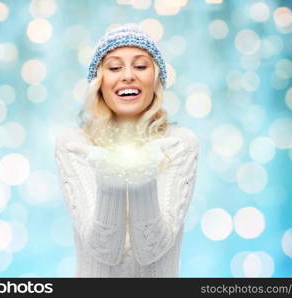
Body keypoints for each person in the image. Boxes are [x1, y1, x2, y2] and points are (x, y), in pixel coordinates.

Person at [54, 23, 199, 277]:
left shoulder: (180, 144)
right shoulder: (74, 145)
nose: (128, 75)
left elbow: (151, 249)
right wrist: (110, 178)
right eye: (114, 67)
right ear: (99, 81)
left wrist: (143, 175)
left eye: (141, 66)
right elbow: (104, 249)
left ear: (155, 80)